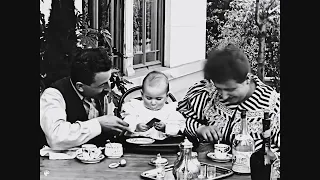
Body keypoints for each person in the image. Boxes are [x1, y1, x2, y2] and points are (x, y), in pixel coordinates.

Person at [177, 44, 280, 159]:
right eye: (219, 88)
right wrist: (199, 128)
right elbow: (178, 120)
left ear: (247, 79)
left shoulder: (272, 107)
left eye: (230, 89)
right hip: (210, 170)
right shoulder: (207, 95)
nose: (224, 96)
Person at [40, 48, 130, 150]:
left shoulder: (98, 94)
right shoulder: (53, 96)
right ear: (80, 86)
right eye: (102, 84)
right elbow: (56, 137)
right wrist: (99, 124)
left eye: (109, 81)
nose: (108, 88)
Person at [121, 71, 185, 140]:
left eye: (158, 99)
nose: (153, 102)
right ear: (142, 95)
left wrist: (165, 128)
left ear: (167, 96)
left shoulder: (170, 111)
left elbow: (179, 128)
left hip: (163, 145)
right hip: (138, 144)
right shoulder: (135, 108)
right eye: (148, 98)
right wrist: (136, 127)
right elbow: (126, 123)